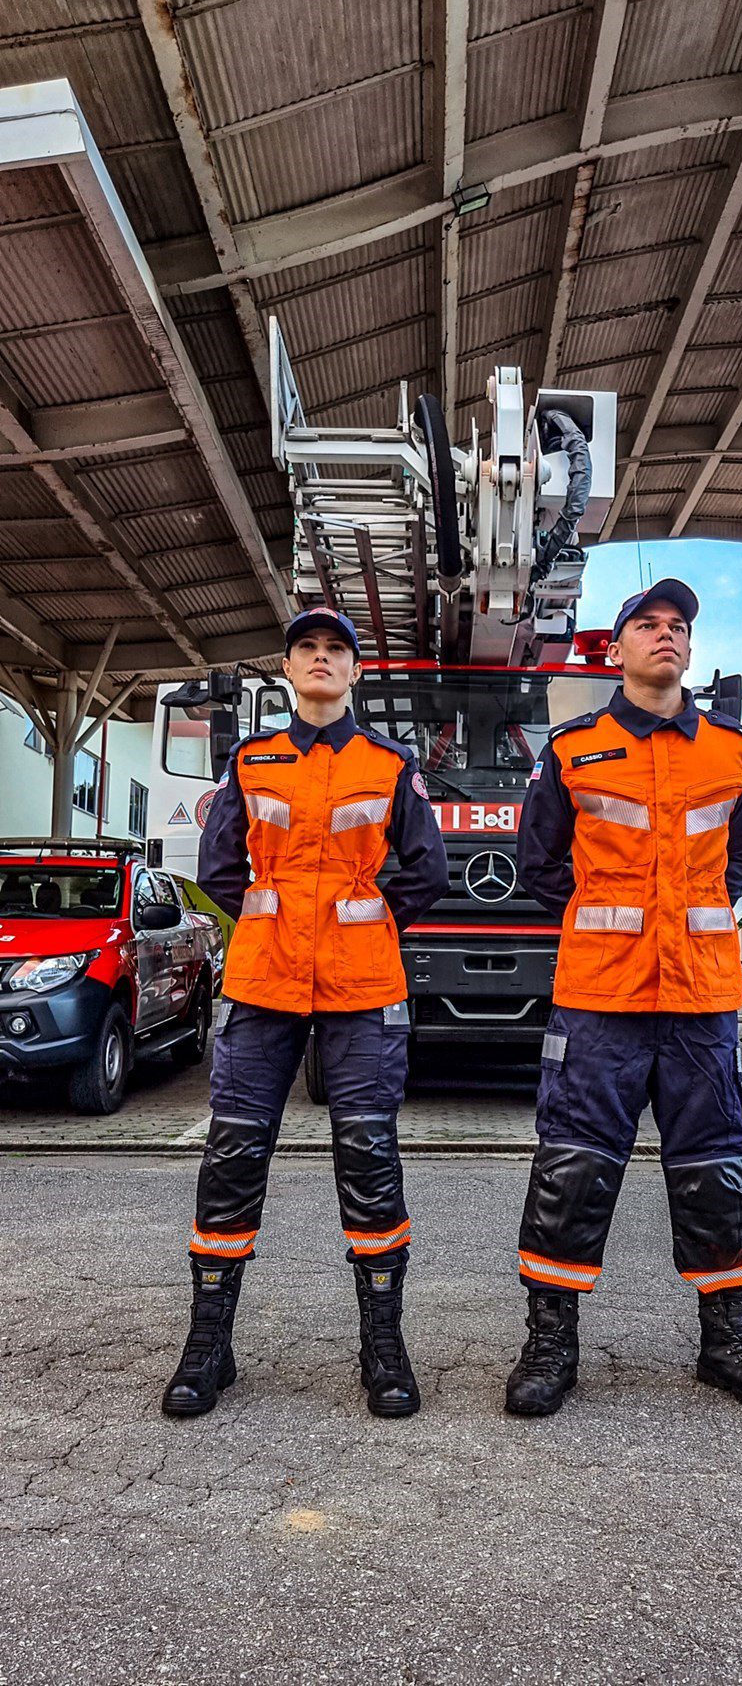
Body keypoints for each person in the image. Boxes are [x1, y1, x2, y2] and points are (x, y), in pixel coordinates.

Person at [505, 579, 742, 1418]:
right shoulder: (573, 748)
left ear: (689, 650)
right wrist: (617, 925)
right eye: (648, 625)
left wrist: (691, 916)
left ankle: (728, 1341)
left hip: (700, 996)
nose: (666, 636)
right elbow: (541, 866)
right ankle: (551, 1342)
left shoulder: (732, 751)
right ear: (620, 647)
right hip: (600, 995)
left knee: (716, 1165)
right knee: (572, 1166)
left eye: (679, 627)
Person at [162, 606, 448, 1421]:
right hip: (263, 983)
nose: (321, 659)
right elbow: (220, 870)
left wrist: (359, 912)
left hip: (363, 986)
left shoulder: (389, 763)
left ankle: (383, 1351)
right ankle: (207, 1349)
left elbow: (425, 873)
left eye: (336, 651)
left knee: (368, 1156)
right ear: (289, 669)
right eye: (307, 649)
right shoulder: (251, 763)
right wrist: (275, 915)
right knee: (233, 1155)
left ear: (355, 672)